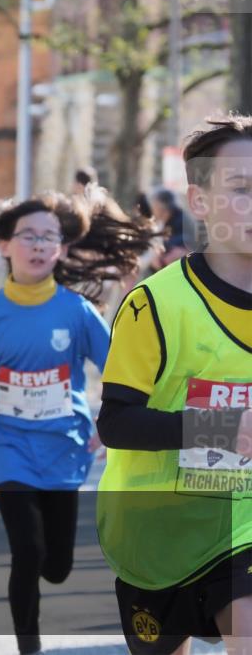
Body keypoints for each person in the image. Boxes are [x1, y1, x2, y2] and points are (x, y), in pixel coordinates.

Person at [0, 188, 157, 655]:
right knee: (28, 550)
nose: (39, 246)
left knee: (56, 565)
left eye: (49, 237)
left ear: (61, 249)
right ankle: (29, 647)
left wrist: (110, 422)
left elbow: (118, 369)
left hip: (65, 446)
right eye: (29, 236)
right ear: (4, 245)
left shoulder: (76, 312)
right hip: (8, 445)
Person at [96, 114, 252, 655]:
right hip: (154, 528)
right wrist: (221, 427)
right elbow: (116, 423)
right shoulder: (156, 304)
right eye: (240, 188)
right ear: (201, 201)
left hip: (242, 522)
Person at [149, 189, 188, 271]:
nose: (152, 210)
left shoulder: (181, 221)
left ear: (160, 206)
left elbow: (181, 249)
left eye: (153, 205)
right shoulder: (166, 222)